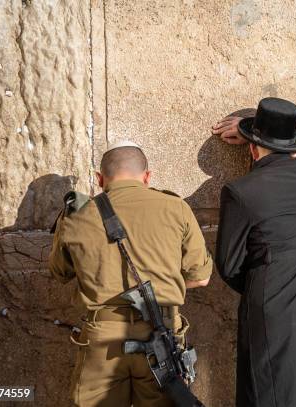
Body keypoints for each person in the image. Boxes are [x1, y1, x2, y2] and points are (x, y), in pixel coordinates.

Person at [49, 141, 212, 407]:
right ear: (147, 177)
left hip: (104, 340)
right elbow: (201, 277)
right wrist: (165, 284)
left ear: (100, 179)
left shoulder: (76, 217)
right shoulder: (176, 208)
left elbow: (59, 271)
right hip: (161, 335)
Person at [212, 97, 296, 407]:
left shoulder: (241, 192)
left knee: (271, 390)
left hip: (270, 307)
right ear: (293, 145)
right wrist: (264, 133)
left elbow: (229, 265)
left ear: (252, 148)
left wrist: (264, 277)